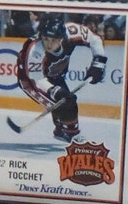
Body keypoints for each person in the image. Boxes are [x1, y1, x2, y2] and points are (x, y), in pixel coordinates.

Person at [16, 14, 108, 143]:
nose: (49, 45)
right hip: (29, 80)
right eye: (46, 39)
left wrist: (98, 63)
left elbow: (95, 40)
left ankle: (63, 131)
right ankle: (70, 134)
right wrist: (55, 91)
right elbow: (37, 80)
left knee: (68, 100)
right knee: (64, 103)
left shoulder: (73, 32)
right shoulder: (35, 50)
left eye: (53, 40)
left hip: (55, 75)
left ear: (61, 38)